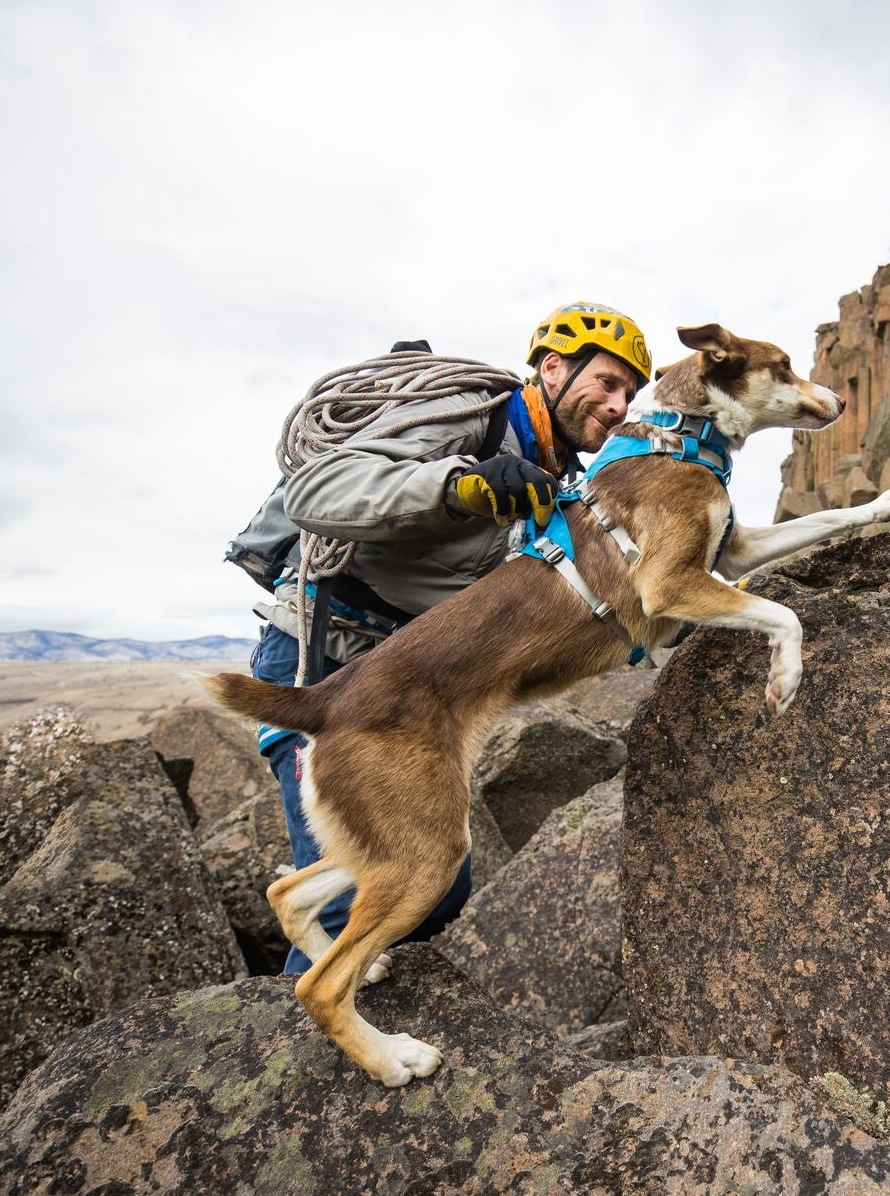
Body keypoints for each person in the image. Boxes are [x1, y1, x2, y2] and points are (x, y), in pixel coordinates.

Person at [241, 302, 653, 974]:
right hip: (319, 666)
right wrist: (458, 486)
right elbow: (316, 490)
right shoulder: (469, 414)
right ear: (553, 367)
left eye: (629, 394)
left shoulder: (558, 484)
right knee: (362, 899)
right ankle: (306, 1052)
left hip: (404, 686)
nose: (616, 404)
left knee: (438, 890)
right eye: (606, 382)